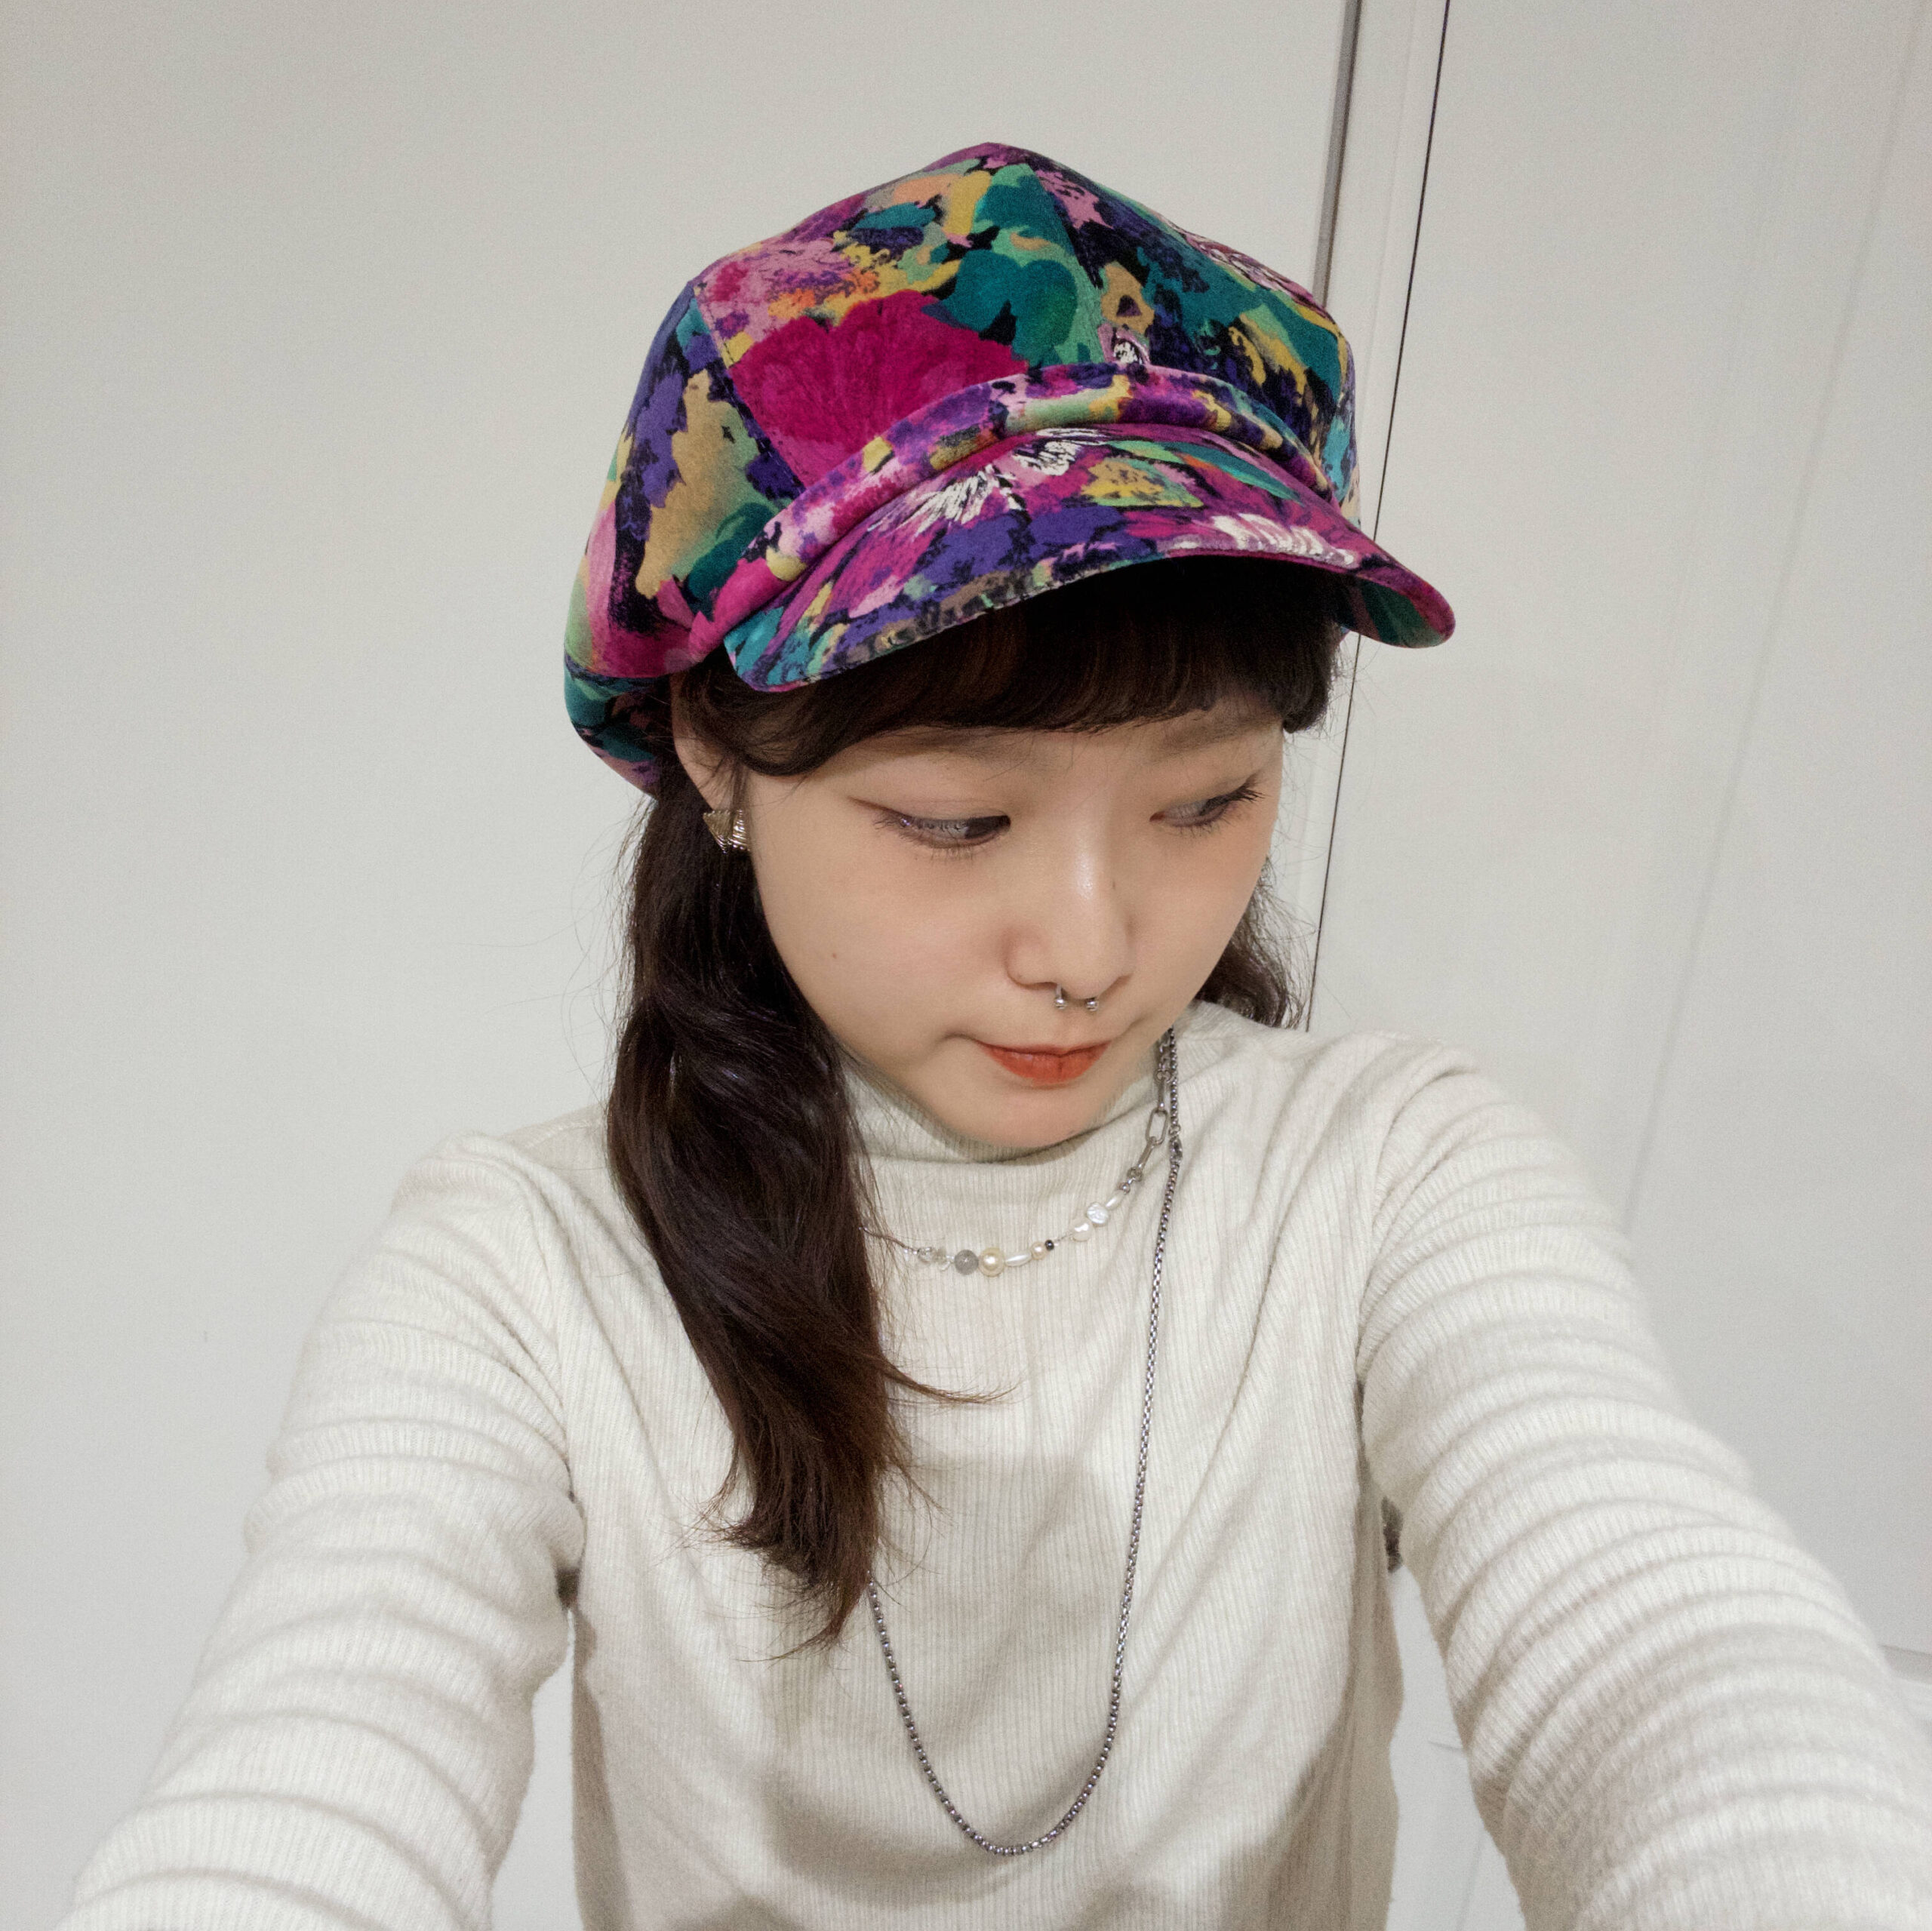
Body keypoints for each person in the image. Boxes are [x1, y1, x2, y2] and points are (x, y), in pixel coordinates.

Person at [60, 142, 1932, 1930]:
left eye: (1205, 799)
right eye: (957, 820)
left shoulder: (1389, 1177)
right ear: (711, 750)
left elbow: (1661, 1636)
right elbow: (312, 1760)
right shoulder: (525, 1269)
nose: (1094, 949)